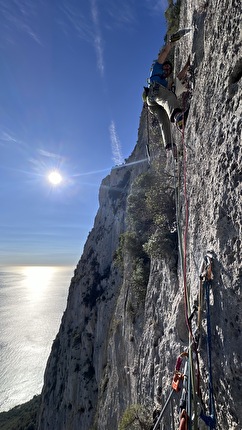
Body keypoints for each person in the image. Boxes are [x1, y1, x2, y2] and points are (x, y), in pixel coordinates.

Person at [146, 41, 190, 155]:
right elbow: (164, 53)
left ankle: (169, 146)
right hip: (154, 93)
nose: (167, 69)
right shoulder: (156, 69)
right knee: (169, 96)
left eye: (169, 69)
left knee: (164, 120)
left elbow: (177, 79)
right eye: (166, 66)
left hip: (155, 105)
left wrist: (187, 66)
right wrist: (170, 45)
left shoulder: (166, 83)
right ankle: (178, 117)